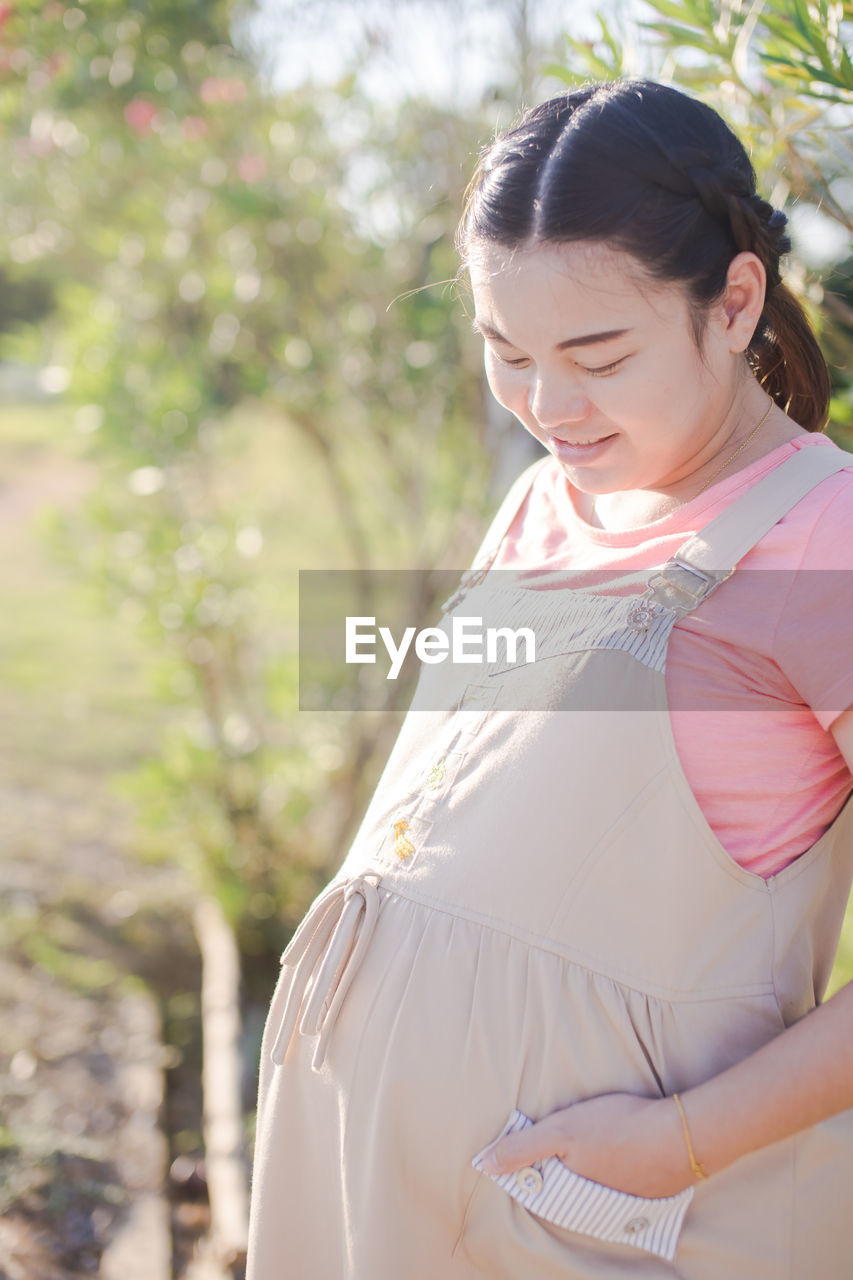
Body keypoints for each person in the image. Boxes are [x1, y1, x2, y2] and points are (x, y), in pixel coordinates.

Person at [246, 79, 853, 1278]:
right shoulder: (542, 497)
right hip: (362, 1177)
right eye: (504, 351)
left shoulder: (822, 539)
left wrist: (674, 1141)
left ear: (734, 302)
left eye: (597, 355)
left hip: (601, 1221)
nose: (546, 405)